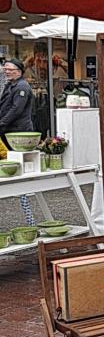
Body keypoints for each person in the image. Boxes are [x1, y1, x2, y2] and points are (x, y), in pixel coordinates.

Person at [0, 59, 36, 226]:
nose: (6, 72)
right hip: (9, 129)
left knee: (17, 161)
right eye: (5, 69)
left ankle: (23, 192)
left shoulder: (22, 87)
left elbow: (16, 110)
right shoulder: (11, 85)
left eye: (9, 69)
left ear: (19, 71)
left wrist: (1, 123)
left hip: (18, 131)